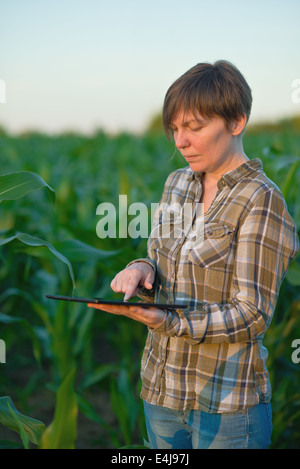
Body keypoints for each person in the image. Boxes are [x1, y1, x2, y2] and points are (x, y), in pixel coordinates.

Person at [88, 60, 299, 449]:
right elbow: (160, 257)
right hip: (161, 392)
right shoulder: (178, 184)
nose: (180, 141)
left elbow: (251, 313)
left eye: (195, 127)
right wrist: (140, 269)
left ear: (236, 121)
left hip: (226, 406)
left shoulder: (261, 200)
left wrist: (168, 321)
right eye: (175, 129)